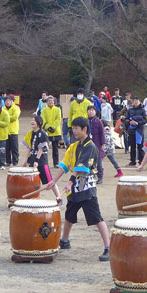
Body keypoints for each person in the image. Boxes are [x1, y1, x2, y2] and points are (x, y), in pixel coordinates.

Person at [46, 117, 110, 261]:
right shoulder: (74, 146)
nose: (74, 131)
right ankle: (65, 240)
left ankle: (108, 246)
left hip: (87, 188)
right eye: (73, 128)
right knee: (69, 215)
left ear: (84, 129)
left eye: (76, 128)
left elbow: (80, 168)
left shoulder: (90, 146)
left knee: (96, 218)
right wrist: (53, 181)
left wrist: (69, 182)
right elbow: (64, 164)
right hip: (74, 188)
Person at [22, 116, 61, 201]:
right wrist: (25, 160)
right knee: (32, 180)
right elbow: (29, 147)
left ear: (39, 123)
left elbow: (41, 148)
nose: (32, 122)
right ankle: (33, 198)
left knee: (50, 180)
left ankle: (58, 198)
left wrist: (37, 160)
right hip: (32, 159)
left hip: (42, 161)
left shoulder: (43, 133)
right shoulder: (30, 133)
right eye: (31, 120)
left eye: (34, 120)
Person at [124, 97, 147, 166]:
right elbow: (126, 119)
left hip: (139, 130)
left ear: (140, 102)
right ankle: (132, 161)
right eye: (134, 101)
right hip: (131, 131)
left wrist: (137, 123)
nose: (136, 102)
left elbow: (145, 120)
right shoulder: (130, 110)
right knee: (132, 146)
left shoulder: (143, 110)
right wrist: (130, 122)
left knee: (140, 146)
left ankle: (141, 160)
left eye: (137, 101)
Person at [41, 95, 62, 167]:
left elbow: (58, 119)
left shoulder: (58, 109)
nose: (50, 102)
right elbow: (42, 119)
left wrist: (53, 127)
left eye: (52, 101)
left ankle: (56, 163)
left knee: (55, 148)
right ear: (47, 102)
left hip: (56, 131)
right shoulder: (44, 110)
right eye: (49, 101)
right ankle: (44, 162)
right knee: (44, 147)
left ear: (54, 101)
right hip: (47, 131)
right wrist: (47, 127)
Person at [87, 106, 106, 184]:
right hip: (88, 143)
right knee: (89, 161)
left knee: (98, 161)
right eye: (89, 110)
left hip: (97, 143)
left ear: (95, 111)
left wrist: (103, 143)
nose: (91, 112)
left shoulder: (98, 121)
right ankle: (91, 176)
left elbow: (102, 133)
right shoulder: (86, 121)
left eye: (92, 110)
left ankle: (100, 177)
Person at [4, 95, 21, 167]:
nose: (7, 102)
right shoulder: (3, 109)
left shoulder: (16, 108)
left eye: (9, 101)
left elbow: (14, 117)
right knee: (7, 148)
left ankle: (15, 161)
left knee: (14, 147)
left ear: (12, 101)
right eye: (6, 101)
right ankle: (8, 161)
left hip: (13, 131)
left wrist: (6, 118)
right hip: (5, 131)